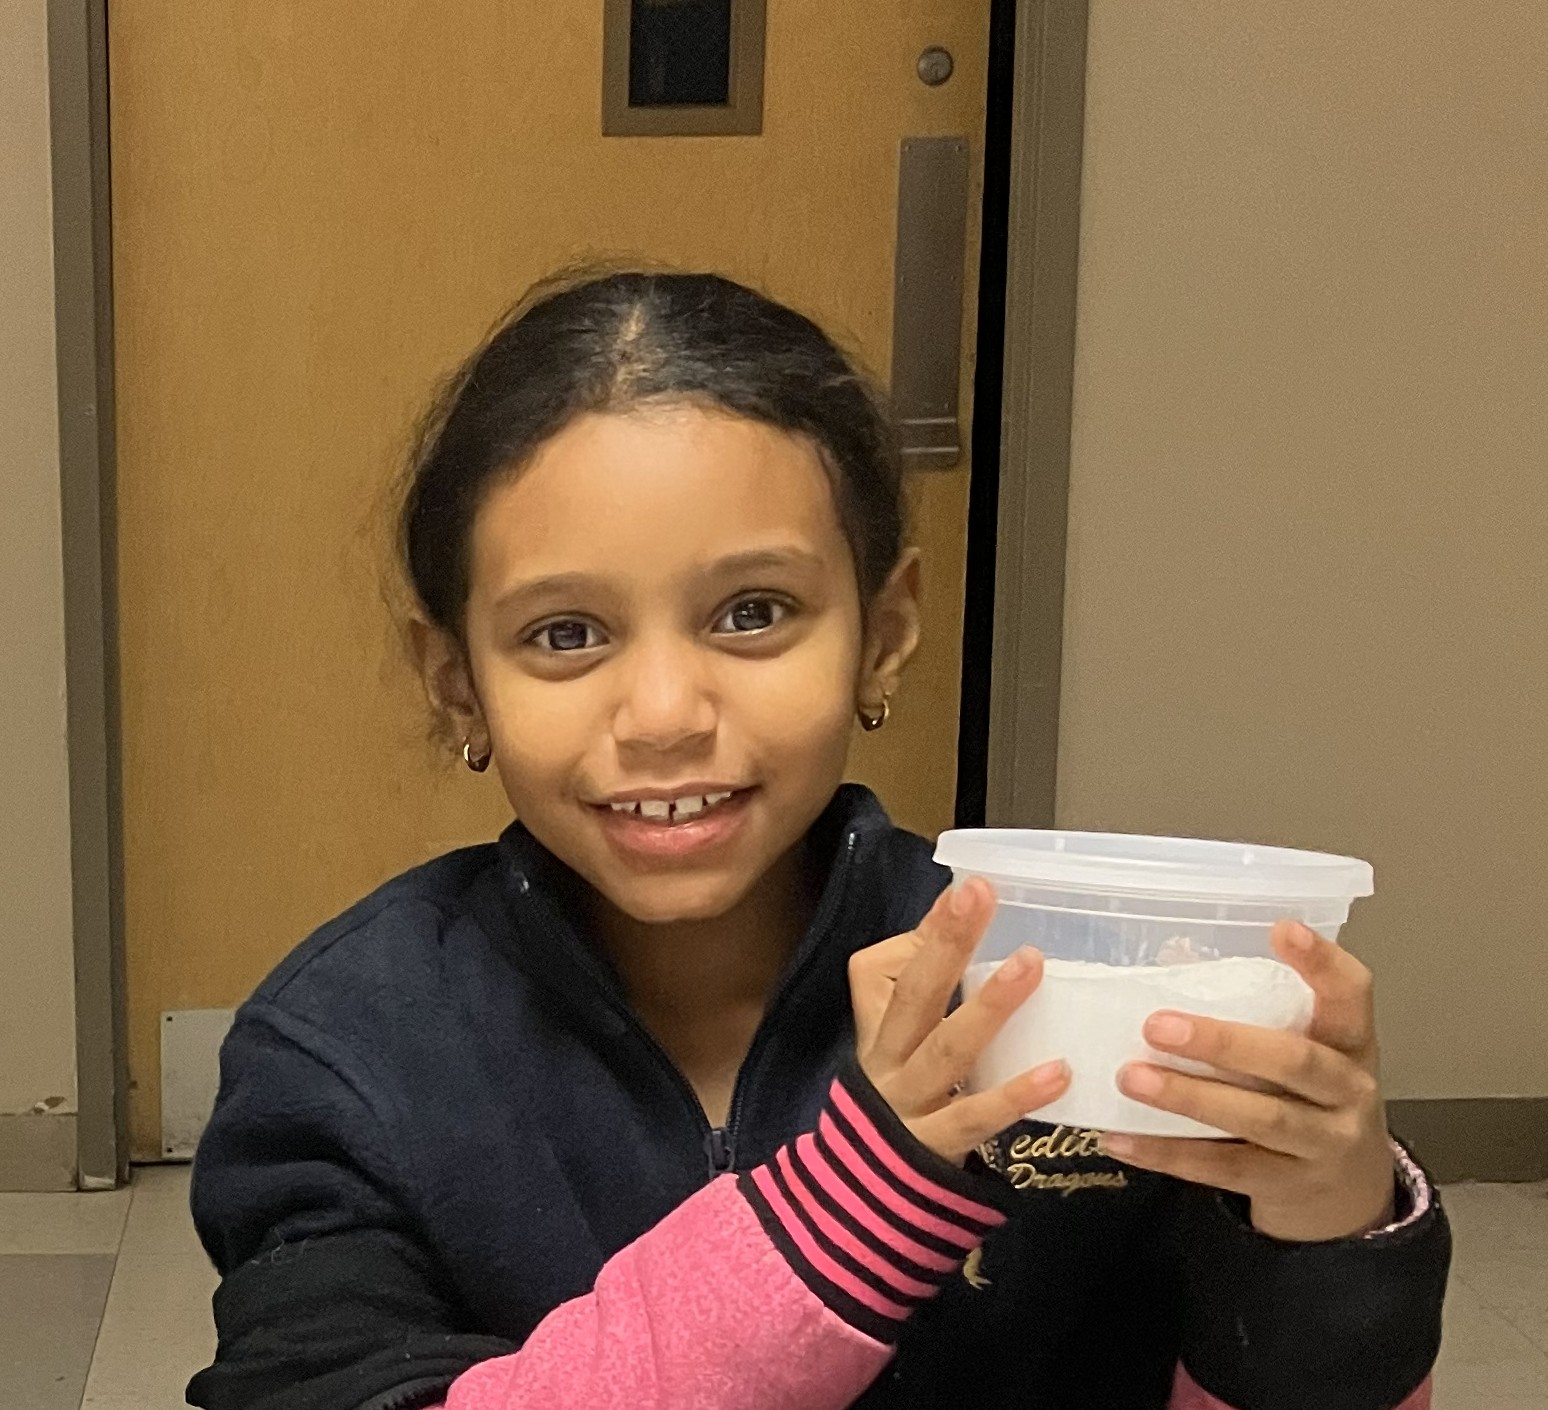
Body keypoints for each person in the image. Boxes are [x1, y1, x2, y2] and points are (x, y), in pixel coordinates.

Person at [186, 270, 1449, 1410]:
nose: (668, 717)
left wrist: (1326, 1237)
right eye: (566, 634)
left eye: (753, 612)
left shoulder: (1077, 993)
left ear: (884, 629)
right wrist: (859, 1207)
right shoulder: (345, 1051)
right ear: (458, 680)